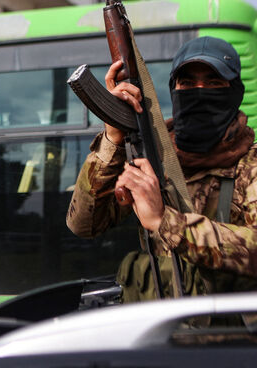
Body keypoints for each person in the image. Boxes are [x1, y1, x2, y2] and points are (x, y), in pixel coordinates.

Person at [67, 36, 257, 300]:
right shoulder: (151, 158)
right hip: (157, 328)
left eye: (213, 83)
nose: (199, 91)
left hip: (229, 336)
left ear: (234, 93)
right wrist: (113, 138)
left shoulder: (251, 164)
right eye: (187, 83)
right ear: (174, 90)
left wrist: (165, 222)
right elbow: (84, 225)